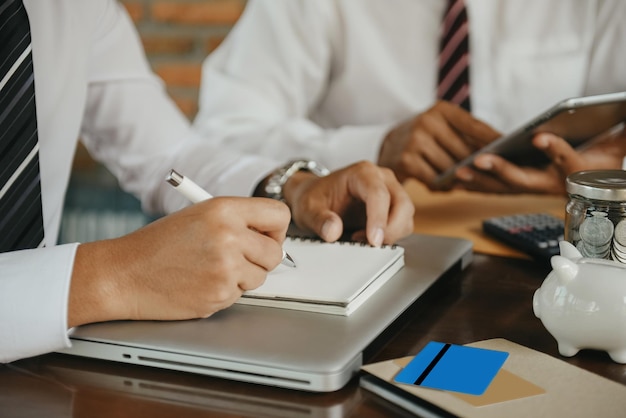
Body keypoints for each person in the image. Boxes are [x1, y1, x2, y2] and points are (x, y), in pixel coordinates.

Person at [0, 0, 414, 363]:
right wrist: (119, 274)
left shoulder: (75, 7)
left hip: (42, 369)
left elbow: (167, 154)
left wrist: (291, 187)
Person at [193, 0, 626, 195]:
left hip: (551, 249)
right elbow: (220, 132)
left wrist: (610, 168)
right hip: (377, 242)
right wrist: (374, 148)